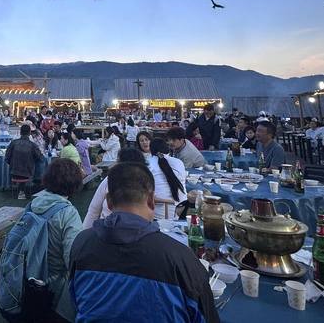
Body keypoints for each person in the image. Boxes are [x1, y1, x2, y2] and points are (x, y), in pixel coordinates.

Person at [69, 162, 219, 323]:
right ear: (151, 200)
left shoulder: (81, 245)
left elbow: (76, 303)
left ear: (109, 202)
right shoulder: (182, 259)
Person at [24, 158, 84, 322]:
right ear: (74, 184)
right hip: (53, 286)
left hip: (26, 277)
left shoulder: (33, 204)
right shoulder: (68, 213)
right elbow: (72, 259)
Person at [83, 147, 145, 228]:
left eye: (118, 161)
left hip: (132, 231)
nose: (116, 163)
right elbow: (93, 210)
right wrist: (84, 233)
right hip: (105, 230)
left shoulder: (145, 183)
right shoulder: (109, 179)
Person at [147, 138, 187, 219]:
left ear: (151, 151)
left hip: (157, 216)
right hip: (181, 212)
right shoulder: (179, 162)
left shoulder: (148, 165)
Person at [5, 124, 44, 199]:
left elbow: (7, 158)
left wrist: (13, 164)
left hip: (14, 171)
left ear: (20, 132)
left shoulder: (13, 143)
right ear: (29, 133)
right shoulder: (33, 145)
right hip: (28, 172)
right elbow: (40, 158)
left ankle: (19, 192)